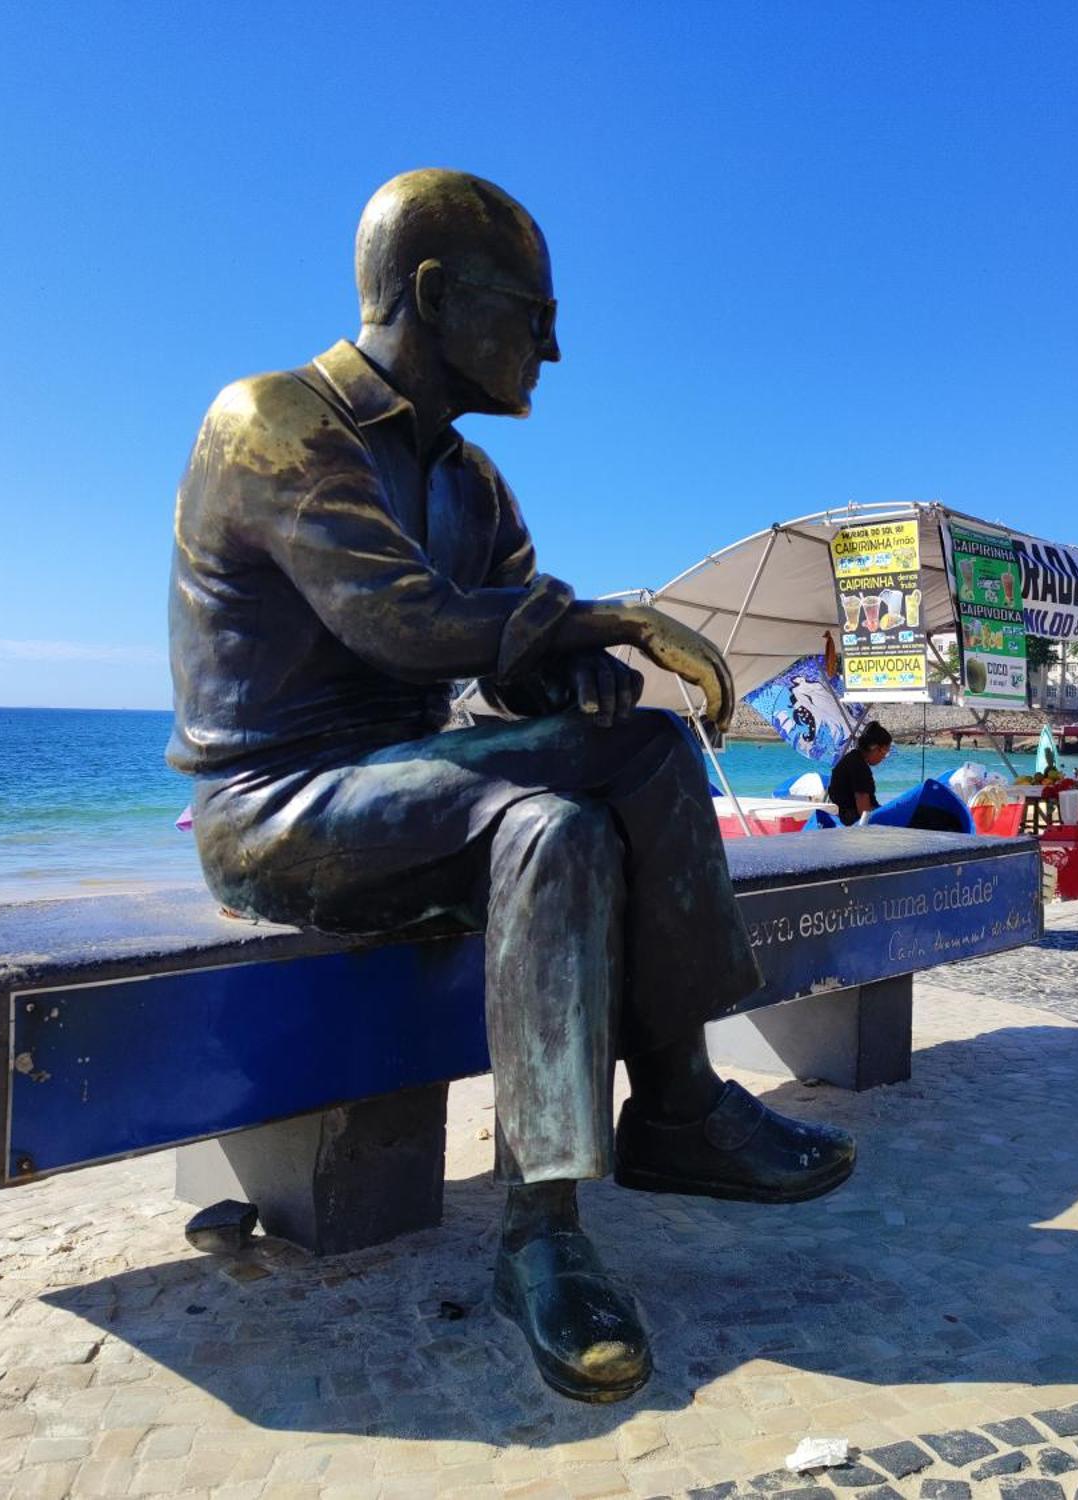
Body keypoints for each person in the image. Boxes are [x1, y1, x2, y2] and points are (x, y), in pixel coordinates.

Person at [168, 170, 853, 1403]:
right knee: (593, 791)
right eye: (529, 311)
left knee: (597, 790)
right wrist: (614, 624)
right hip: (281, 808)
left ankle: (611, 1174)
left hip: (416, 791)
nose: (550, 343)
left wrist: (574, 676)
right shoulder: (273, 421)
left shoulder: (472, 485)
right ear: (433, 297)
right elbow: (401, 622)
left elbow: (507, 652)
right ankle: (614, 1168)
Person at [829, 721, 893, 825]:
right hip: (853, 821)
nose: (883, 758)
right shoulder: (858, 767)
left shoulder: (852, 759)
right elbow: (864, 812)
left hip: (845, 816)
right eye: (885, 752)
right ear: (874, 747)